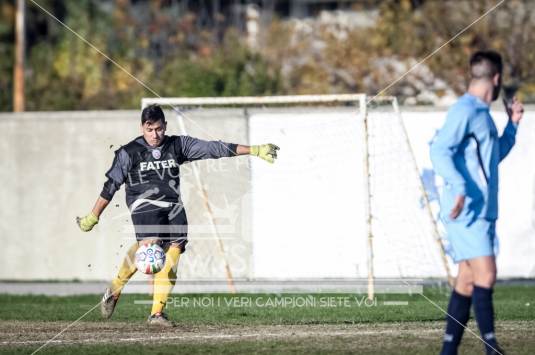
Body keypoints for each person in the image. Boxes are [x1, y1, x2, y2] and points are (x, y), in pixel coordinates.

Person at [76, 104, 279, 326]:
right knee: (152, 247)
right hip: (144, 204)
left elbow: (214, 148)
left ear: (165, 126)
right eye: (150, 129)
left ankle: (156, 314)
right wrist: (93, 216)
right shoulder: (128, 152)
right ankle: (115, 288)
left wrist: (255, 150)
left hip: (173, 205)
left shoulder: (178, 145)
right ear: (142, 127)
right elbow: (111, 185)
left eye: (159, 129)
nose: (155, 135)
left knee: (173, 253)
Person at [430, 50, 524, 355]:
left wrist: (512, 125)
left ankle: (448, 350)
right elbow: (440, 151)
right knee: (487, 274)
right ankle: (491, 347)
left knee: (468, 280)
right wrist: (458, 186)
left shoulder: (481, 114)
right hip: (465, 209)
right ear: (496, 79)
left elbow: (493, 156)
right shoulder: (465, 110)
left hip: (479, 211)